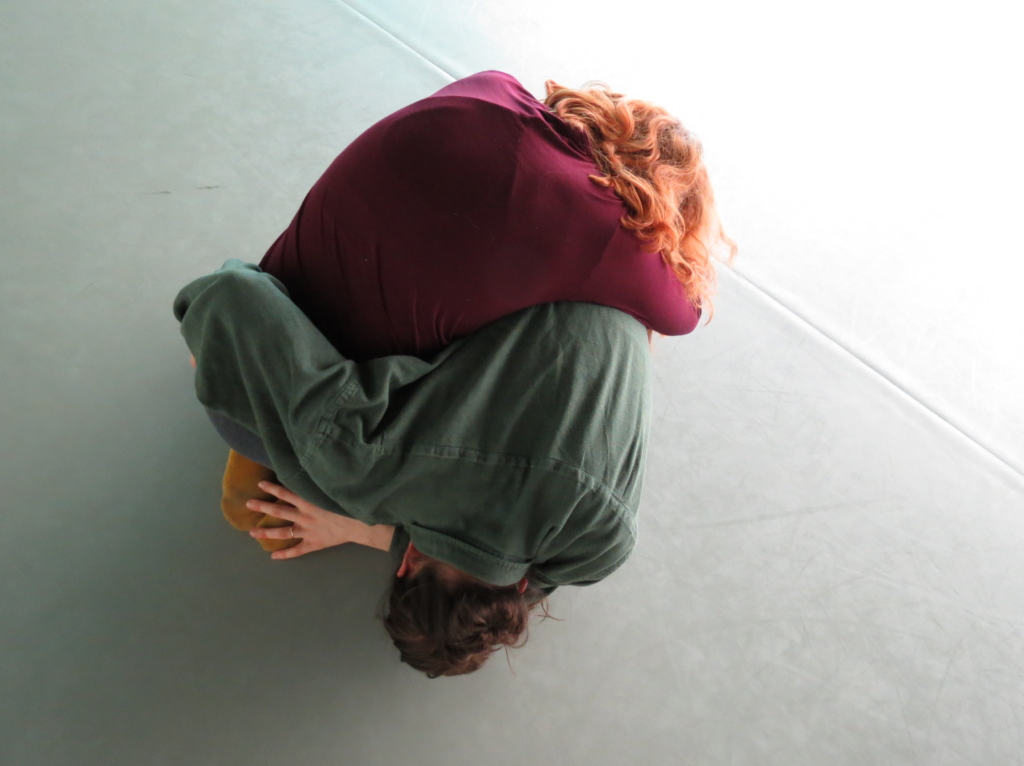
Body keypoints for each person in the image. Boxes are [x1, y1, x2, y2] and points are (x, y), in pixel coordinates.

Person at [188, 71, 735, 675]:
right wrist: (209, 343)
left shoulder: (603, 547)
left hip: (475, 161)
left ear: (521, 594)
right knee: (254, 432)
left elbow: (681, 313)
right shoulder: (362, 466)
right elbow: (231, 294)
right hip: (352, 366)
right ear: (405, 563)